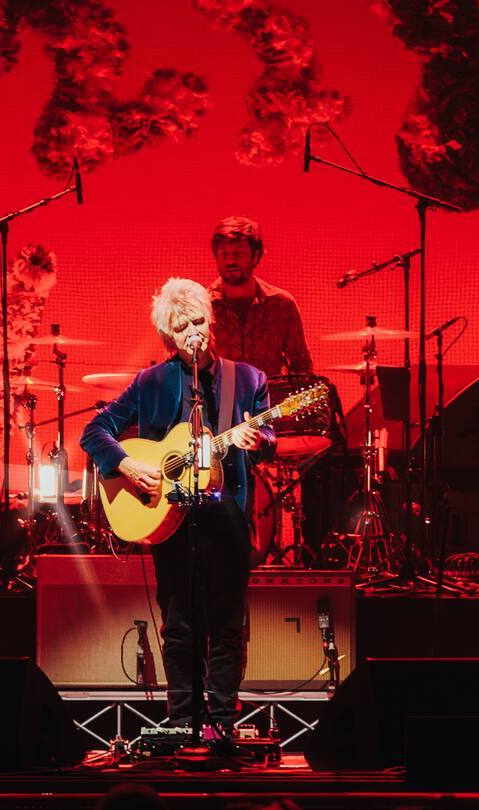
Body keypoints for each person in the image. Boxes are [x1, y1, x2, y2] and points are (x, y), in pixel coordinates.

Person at [80, 277, 274, 738]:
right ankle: (182, 721)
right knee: (180, 625)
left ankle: (222, 723)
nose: (195, 331)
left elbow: (268, 438)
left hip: (227, 516)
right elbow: (95, 433)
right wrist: (126, 465)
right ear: (168, 337)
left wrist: (257, 440)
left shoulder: (247, 379)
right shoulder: (150, 382)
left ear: (212, 320)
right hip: (167, 518)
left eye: (200, 320)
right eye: (183, 325)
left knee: (227, 625)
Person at [207, 216, 313, 379]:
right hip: (218, 402)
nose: (230, 261)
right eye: (224, 254)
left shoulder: (281, 304)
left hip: (270, 401)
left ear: (255, 256)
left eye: (238, 254)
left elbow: (302, 366)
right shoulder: (202, 306)